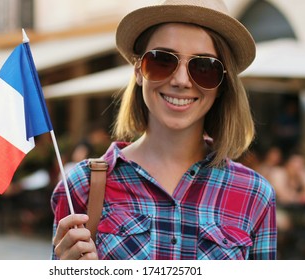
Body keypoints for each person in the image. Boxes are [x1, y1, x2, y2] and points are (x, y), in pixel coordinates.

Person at [51, 0, 276, 260]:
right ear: (138, 70)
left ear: (222, 84)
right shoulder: (82, 186)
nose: (181, 81)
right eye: (161, 61)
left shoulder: (255, 194)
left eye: (204, 67)